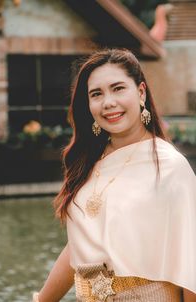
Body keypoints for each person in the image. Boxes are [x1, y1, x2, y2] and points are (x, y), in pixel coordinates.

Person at [32, 48, 196, 302]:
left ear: (140, 92)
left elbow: (191, 262)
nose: (108, 102)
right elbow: (80, 246)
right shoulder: (90, 163)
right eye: (97, 94)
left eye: (118, 88)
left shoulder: (170, 167)